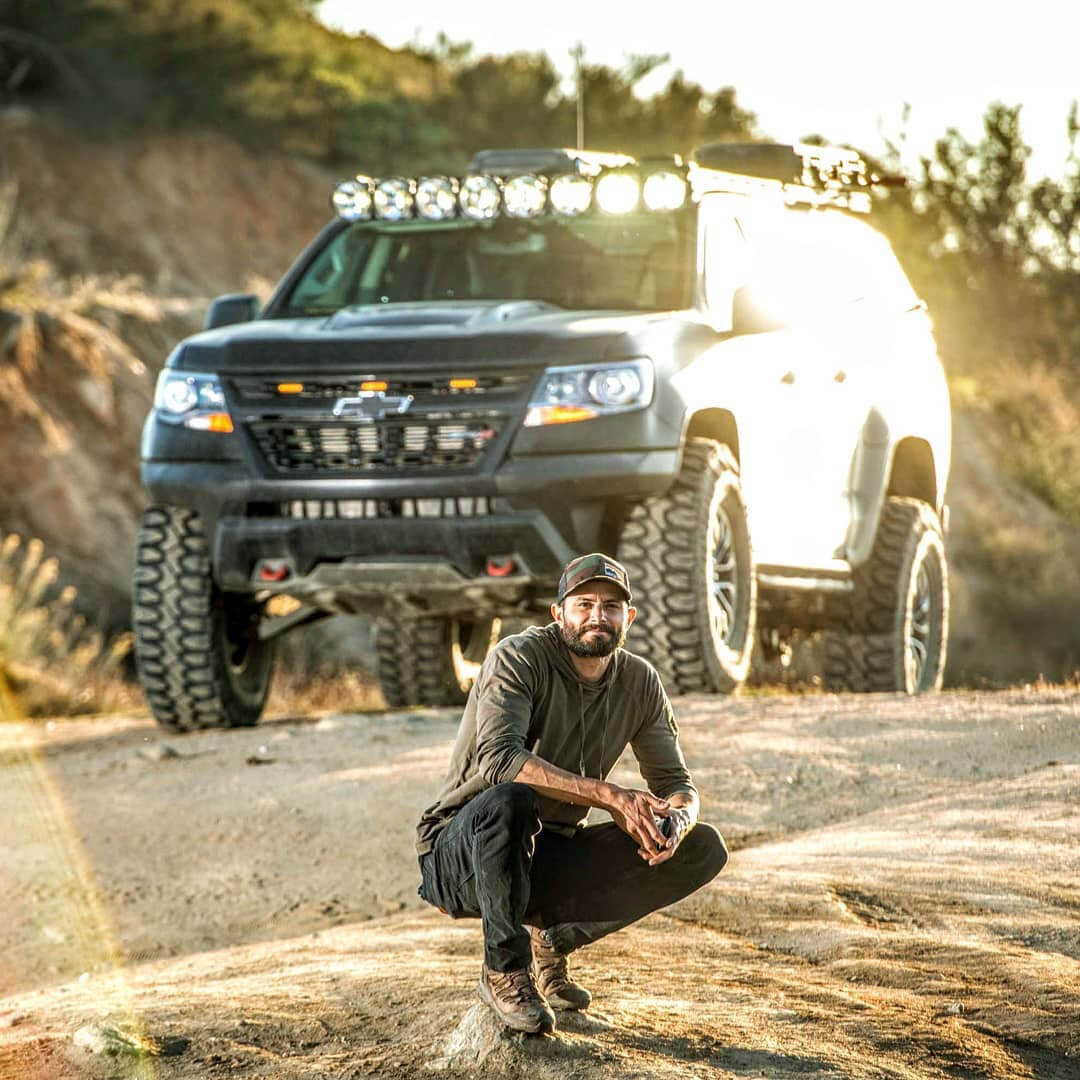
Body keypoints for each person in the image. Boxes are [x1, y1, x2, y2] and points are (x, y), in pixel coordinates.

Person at [415, 552, 729, 1034]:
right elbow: (499, 762)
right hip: (464, 854)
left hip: (546, 852)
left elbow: (677, 785)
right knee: (511, 799)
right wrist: (609, 797)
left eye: (611, 606)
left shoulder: (639, 681)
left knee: (703, 846)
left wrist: (675, 821)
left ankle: (554, 939)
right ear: (558, 613)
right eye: (583, 604)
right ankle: (504, 970)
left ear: (630, 617)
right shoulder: (517, 658)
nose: (597, 616)